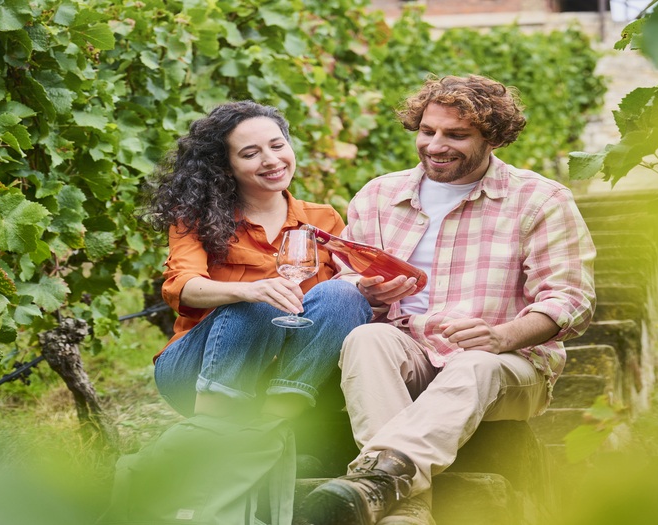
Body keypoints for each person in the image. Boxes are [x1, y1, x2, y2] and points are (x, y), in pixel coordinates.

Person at [299, 75, 596, 525]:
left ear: (492, 137)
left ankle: (378, 481)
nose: (436, 144)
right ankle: (406, 512)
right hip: (410, 349)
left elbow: (571, 299)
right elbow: (350, 281)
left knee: (473, 363)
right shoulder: (378, 196)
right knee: (366, 339)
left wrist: (501, 336)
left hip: (508, 364)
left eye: (456, 135)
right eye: (427, 131)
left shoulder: (541, 200)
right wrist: (370, 293)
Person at [144, 100, 372, 422]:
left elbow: (343, 298)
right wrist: (249, 291)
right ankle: (212, 428)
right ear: (226, 166)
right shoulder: (196, 218)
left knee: (344, 295)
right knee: (262, 303)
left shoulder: (323, 219)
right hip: (196, 368)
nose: (271, 160)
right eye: (250, 154)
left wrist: (368, 287)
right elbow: (182, 286)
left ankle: (271, 426)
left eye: (278, 146)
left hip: (295, 370)